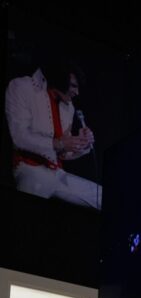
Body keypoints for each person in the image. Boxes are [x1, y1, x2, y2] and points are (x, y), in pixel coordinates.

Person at [4, 62, 101, 208]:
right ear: (60, 78)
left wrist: (81, 144)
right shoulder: (22, 87)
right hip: (30, 169)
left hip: (57, 173)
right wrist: (59, 143)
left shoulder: (69, 107)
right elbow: (19, 137)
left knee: (101, 196)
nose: (77, 92)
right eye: (73, 86)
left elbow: (63, 154)